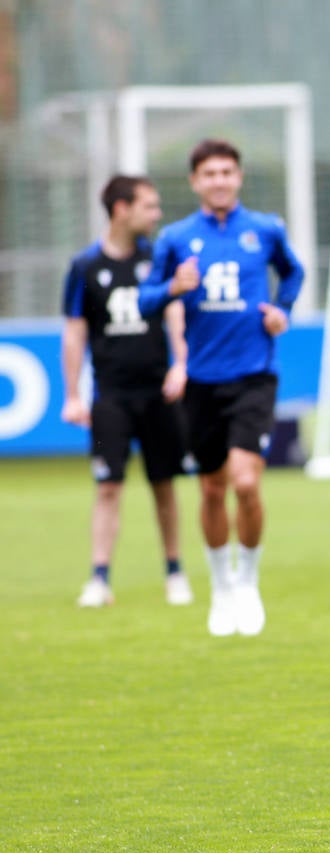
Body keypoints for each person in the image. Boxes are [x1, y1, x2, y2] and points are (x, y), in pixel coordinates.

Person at [139, 138, 305, 637]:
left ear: (238, 177)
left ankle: (248, 583)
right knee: (211, 488)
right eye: (209, 173)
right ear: (195, 181)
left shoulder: (265, 229)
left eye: (227, 172)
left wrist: (283, 311)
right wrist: (173, 288)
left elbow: (292, 273)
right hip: (201, 383)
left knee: (247, 481)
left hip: (254, 375)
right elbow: (145, 300)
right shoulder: (174, 239)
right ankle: (221, 587)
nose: (219, 180)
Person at [60, 175, 194, 609]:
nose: (156, 215)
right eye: (149, 207)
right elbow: (74, 333)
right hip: (110, 399)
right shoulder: (84, 268)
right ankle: (99, 578)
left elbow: (174, 312)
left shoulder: (157, 259)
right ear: (122, 209)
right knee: (107, 485)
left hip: (159, 395)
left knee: (164, 483)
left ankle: (175, 572)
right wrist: (73, 395)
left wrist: (180, 364)